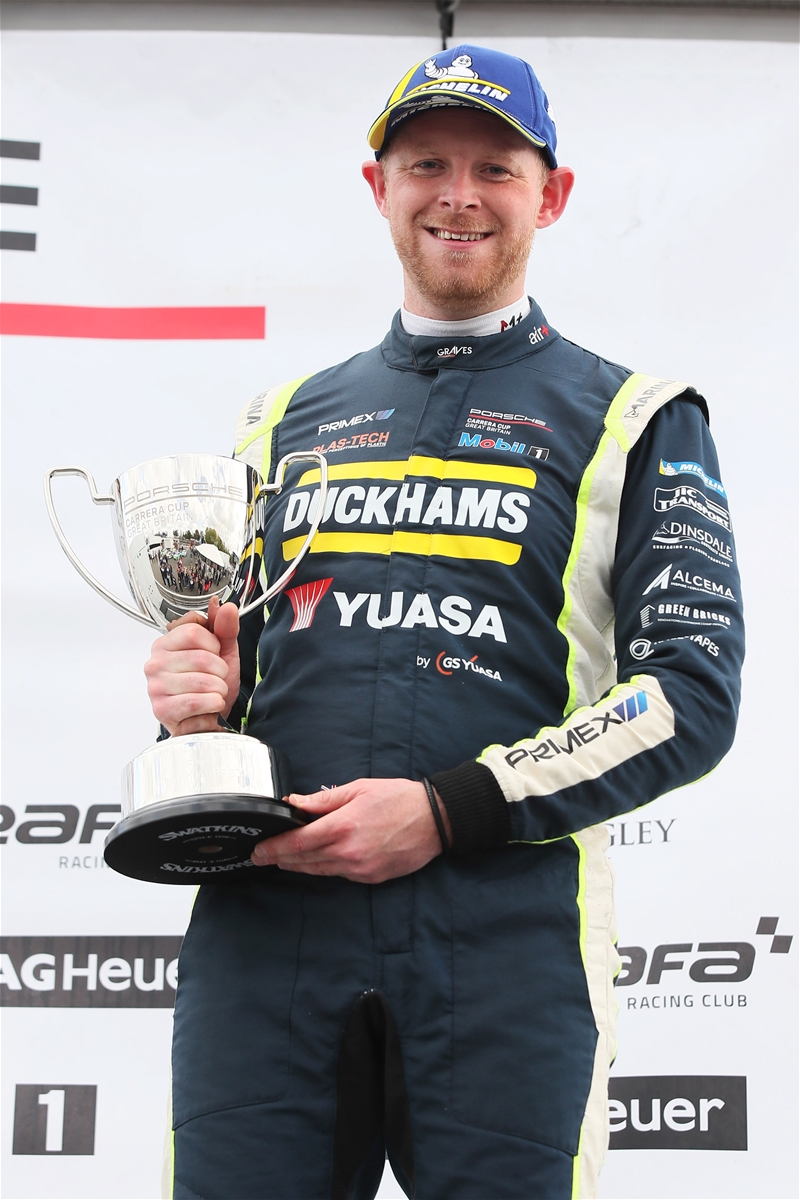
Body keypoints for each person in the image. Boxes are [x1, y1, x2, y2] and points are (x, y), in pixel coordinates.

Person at [145, 44, 743, 1200]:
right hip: (266, 939)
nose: (457, 195)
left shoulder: (635, 414)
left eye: (494, 168)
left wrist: (443, 809)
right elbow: (232, 671)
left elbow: (688, 695)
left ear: (549, 197)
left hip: (505, 942)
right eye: (426, 164)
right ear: (378, 187)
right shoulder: (281, 420)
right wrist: (190, 712)